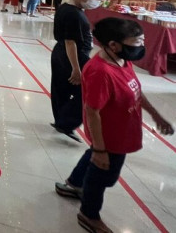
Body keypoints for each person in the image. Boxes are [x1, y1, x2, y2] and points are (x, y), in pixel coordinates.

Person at [55, 18, 173, 233]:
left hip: (122, 129)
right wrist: (100, 149)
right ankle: (89, 214)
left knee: (95, 163)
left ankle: (73, 184)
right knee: (101, 177)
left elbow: (134, 89)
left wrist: (156, 116)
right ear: (113, 44)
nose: (140, 46)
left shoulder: (122, 60)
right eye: (136, 42)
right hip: (109, 137)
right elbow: (92, 111)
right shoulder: (101, 72)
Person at [50, 0, 104, 141]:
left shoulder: (66, 8)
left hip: (60, 53)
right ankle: (67, 122)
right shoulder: (74, 14)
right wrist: (76, 68)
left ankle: (61, 120)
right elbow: (70, 42)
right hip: (73, 56)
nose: (97, 2)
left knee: (61, 89)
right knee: (87, 91)